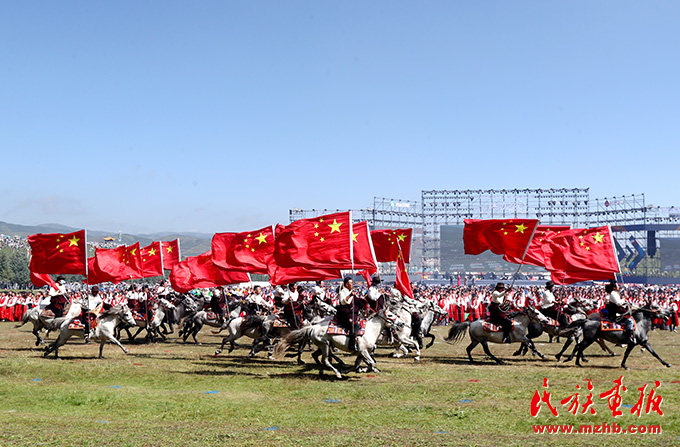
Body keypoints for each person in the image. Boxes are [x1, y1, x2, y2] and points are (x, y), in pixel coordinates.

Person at [335, 276, 368, 351]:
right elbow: (343, 302)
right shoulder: (343, 292)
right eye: (351, 283)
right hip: (345, 313)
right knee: (355, 325)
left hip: (352, 312)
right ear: (346, 284)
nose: (352, 284)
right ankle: (351, 345)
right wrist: (350, 295)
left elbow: (356, 301)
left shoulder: (351, 291)